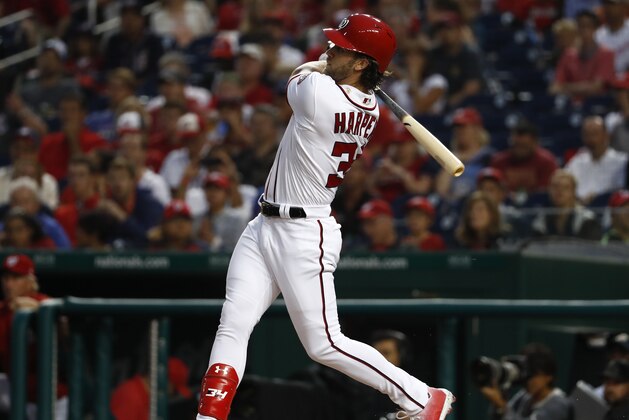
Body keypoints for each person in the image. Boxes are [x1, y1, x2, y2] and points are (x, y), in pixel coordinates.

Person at [195, 14, 454, 420]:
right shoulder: (366, 108)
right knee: (233, 322)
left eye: (341, 47)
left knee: (325, 343)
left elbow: (302, 71)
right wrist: (344, 66)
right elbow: (320, 68)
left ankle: (423, 398)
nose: (330, 49)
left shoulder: (319, 95)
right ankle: (208, 416)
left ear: (360, 65)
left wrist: (320, 64)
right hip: (265, 223)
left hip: (304, 232)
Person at [0, 254, 68, 419]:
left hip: (51, 398)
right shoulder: (3, 310)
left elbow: (65, 330)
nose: (9, 284)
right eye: (6, 278)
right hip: (16, 393)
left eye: (16, 278)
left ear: (31, 281)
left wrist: (39, 311)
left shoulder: (45, 302)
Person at [479, 343, 573, 420]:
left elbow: (507, 413)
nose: (528, 380)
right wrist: (498, 401)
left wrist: (501, 404)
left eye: (533, 375)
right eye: (526, 374)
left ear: (548, 376)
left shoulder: (559, 405)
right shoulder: (525, 396)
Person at [549, 9, 616, 102]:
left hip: (597, 105)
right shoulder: (568, 54)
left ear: (596, 28)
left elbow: (596, 88)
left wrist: (565, 87)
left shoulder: (607, 54)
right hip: (571, 106)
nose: (584, 30)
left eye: (588, 26)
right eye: (580, 26)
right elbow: (554, 88)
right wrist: (584, 87)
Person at [565, 115, 628, 204]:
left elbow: (621, 191)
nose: (590, 139)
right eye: (586, 135)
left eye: (594, 134)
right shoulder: (576, 161)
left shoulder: (622, 161)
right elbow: (565, 183)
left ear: (606, 135)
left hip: (607, 210)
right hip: (579, 210)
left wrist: (596, 198)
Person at [110, 356, 195, 420]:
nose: (172, 394)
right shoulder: (131, 396)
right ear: (166, 382)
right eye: (174, 389)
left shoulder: (147, 397)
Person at [490, 120, 559, 197]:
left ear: (535, 143)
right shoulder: (499, 162)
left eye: (524, 146)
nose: (519, 150)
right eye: (516, 145)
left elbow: (546, 192)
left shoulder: (547, 162)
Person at [532, 170, 602, 240]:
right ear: (549, 190)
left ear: (573, 191)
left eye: (565, 187)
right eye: (555, 186)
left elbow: (591, 249)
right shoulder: (541, 221)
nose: (559, 190)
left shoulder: (587, 220)